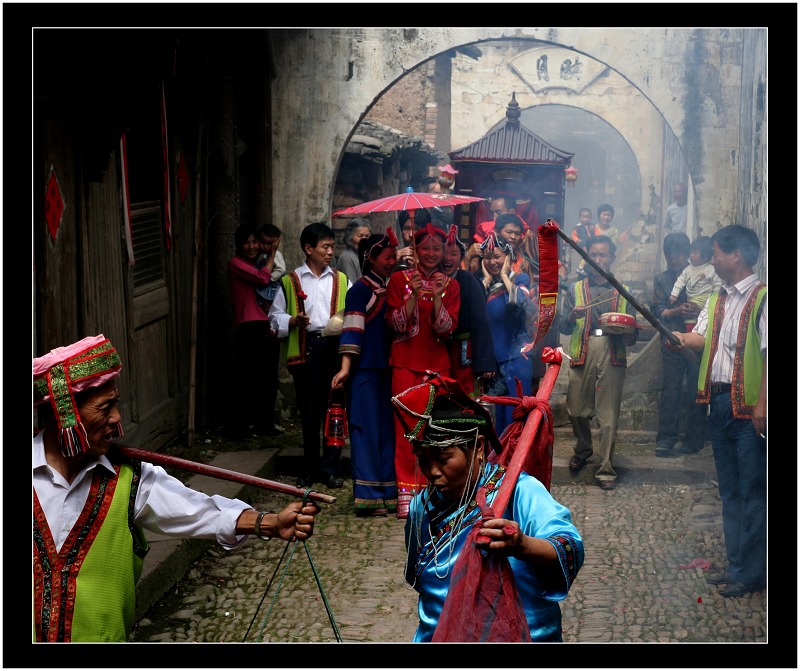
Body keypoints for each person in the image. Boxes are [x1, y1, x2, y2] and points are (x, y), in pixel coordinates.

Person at [32, 334, 320, 642]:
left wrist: (270, 523)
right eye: (105, 408)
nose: (116, 419)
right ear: (66, 414)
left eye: (115, 405)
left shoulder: (129, 480)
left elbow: (197, 511)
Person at [391, 374, 584, 642]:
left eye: (444, 458)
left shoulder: (520, 491)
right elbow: (421, 582)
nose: (432, 472)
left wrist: (522, 545)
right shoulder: (420, 508)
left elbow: (569, 545)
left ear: (478, 447)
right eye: (423, 459)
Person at [666, 225, 766, 598]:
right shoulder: (716, 300)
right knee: (730, 492)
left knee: (753, 491)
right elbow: (700, 338)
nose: (712, 259)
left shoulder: (763, 297)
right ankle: (738, 565)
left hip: (749, 409)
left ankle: (754, 571)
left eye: (717, 253)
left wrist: (763, 404)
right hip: (720, 404)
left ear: (736, 255)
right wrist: (678, 338)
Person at [386, 223, 460, 518]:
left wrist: (439, 296)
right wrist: (413, 295)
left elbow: (446, 329)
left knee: (434, 430)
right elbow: (395, 325)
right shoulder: (398, 280)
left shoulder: (452, 285)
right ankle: (406, 488)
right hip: (404, 362)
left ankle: (434, 487)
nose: (430, 254)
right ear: (415, 250)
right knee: (405, 429)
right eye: (425, 248)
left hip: (437, 365)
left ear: (444, 252)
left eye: (436, 248)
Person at [268, 222, 351, 489]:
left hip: (334, 349)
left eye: (332, 246)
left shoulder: (341, 280)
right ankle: (310, 468)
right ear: (308, 248)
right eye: (325, 246)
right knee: (309, 413)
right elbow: (273, 318)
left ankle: (330, 468)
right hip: (306, 350)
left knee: (334, 410)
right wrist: (293, 321)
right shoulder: (291, 281)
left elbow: (353, 312)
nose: (330, 252)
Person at [560, 235, 638, 490]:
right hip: (584, 348)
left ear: (612, 258)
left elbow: (633, 331)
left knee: (608, 414)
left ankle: (606, 468)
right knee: (575, 409)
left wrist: (629, 333)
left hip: (612, 349)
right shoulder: (575, 288)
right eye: (593, 254)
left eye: (603, 255)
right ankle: (583, 448)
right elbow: (563, 325)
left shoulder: (623, 290)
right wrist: (572, 315)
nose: (597, 259)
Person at [332, 230, 399, 516]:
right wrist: (345, 368)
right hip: (366, 373)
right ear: (370, 259)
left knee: (388, 433)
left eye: (394, 256)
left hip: (389, 372)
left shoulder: (394, 287)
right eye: (387, 257)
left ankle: (390, 492)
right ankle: (369, 495)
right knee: (366, 432)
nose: (392, 261)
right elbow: (352, 331)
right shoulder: (359, 290)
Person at [650, 232, 707, 458]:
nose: (674, 259)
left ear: (688, 254)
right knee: (671, 390)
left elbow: (713, 301)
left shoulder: (703, 274)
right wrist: (676, 310)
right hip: (671, 341)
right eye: (670, 254)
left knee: (696, 389)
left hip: (698, 340)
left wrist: (698, 310)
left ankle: (694, 439)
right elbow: (656, 311)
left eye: (679, 254)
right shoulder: (662, 279)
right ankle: (665, 438)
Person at [227, 225, 283, 439]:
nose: (251, 246)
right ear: (239, 245)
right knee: (247, 378)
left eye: (254, 242)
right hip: (249, 325)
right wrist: (273, 254)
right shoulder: (236, 264)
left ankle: (264, 424)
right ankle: (240, 427)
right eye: (246, 242)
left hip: (266, 324)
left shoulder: (258, 262)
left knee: (268, 377)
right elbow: (262, 278)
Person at [478, 231, 533, 436]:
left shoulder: (520, 279)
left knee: (516, 418)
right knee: (495, 421)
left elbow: (521, 302)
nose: (492, 262)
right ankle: (497, 466)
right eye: (487, 257)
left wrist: (503, 275)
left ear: (508, 258)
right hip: (492, 364)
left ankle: (516, 466)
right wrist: (484, 282)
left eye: (497, 257)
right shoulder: (483, 284)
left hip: (516, 359)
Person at [440, 224, 496, 399]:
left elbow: (481, 321)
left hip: (464, 351)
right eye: (444, 253)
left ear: (462, 258)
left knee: (465, 397)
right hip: (438, 351)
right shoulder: (429, 279)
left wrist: (485, 362)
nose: (448, 259)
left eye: (454, 254)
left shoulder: (468, 280)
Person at [668, 235, 722, 331]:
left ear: (705, 257)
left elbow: (717, 284)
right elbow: (680, 281)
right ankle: (692, 334)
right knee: (689, 316)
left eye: (695, 253)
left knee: (702, 317)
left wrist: (716, 298)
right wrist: (674, 295)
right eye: (691, 252)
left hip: (705, 298)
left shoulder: (710, 269)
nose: (691, 255)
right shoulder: (688, 269)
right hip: (692, 298)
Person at [254, 223, 286, 313]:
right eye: (263, 242)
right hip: (260, 286)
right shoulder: (259, 254)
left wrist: (269, 277)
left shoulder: (276, 255)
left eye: (269, 244)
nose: (266, 246)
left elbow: (281, 270)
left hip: (271, 285)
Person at [336, 217, 372, 284]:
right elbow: (352, 285)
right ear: (350, 237)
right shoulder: (347, 258)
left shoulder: (365, 256)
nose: (364, 240)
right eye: (360, 236)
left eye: (367, 236)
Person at [571, 206, 595, 277]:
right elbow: (573, 235)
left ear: (590, 217)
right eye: (583, 217)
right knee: (586, 256)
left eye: (587, 217)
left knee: (588, 256)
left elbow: (597, 233)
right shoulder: (578, 227)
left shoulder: (592, 226)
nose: (585, 219)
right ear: (580, 218)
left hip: (591, 244)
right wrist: (577, 240)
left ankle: (584, 267)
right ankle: (580, 268)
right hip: (582, 244)